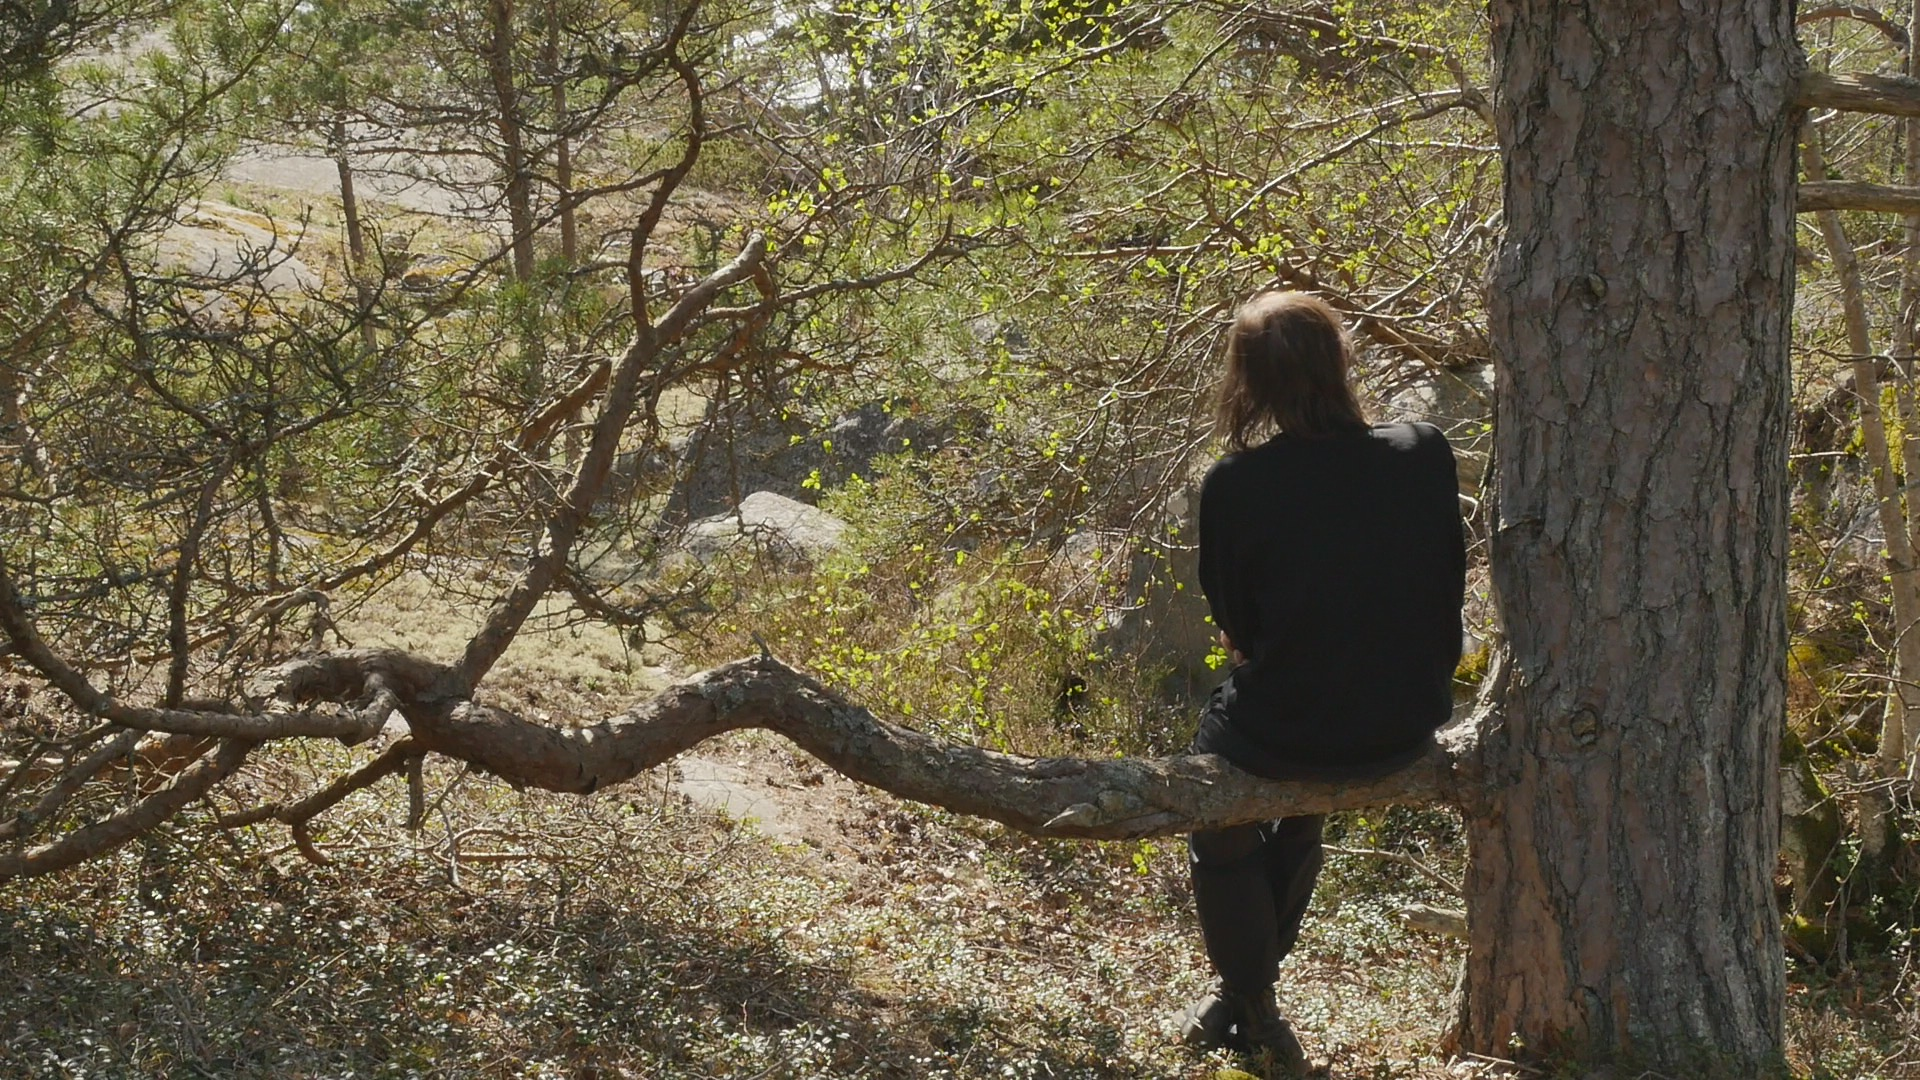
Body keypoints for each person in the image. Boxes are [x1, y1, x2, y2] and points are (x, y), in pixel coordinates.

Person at [1174, 291, 1466, 1071]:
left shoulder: (1236, 484)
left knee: (1221, 811)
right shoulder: (1425, 450)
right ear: (1341, 361)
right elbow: (1448, 577)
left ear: (1248, 383)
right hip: (1407, 720)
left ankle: (1254, 1007)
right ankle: (1246, 996)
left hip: (1298, 727)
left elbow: (1237, 629)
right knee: (1297, 774)